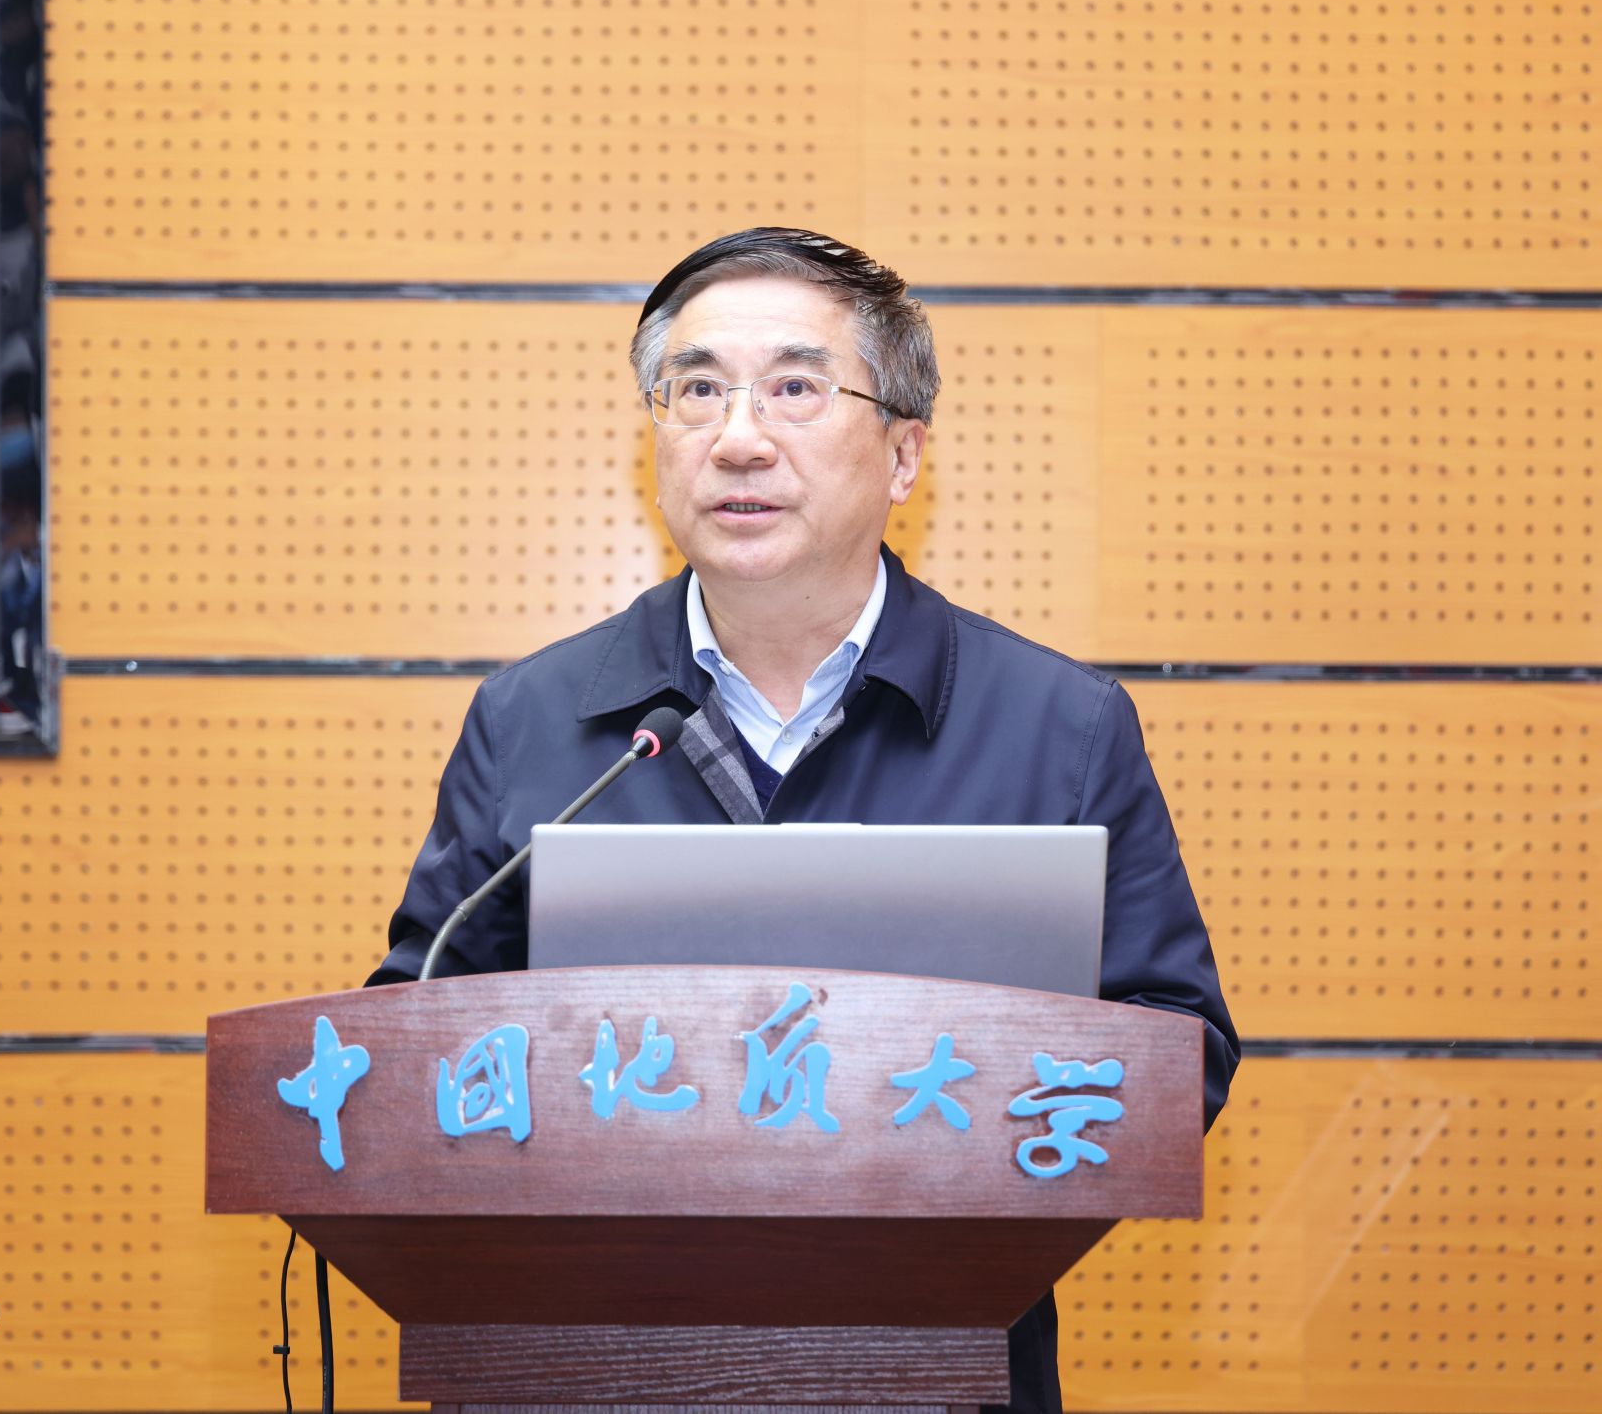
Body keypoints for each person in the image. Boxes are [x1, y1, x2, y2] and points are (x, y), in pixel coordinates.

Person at [370, 226, 1239, 1414]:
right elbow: (410, 1037)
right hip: (584, 1366)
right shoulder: (531, 718)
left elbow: (1176, 1055)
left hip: (927, 1367)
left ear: (902, 453)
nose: (737, 436)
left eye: (793, 388)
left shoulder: (1058, 725)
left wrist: (939, 1134)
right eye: (696, 391)